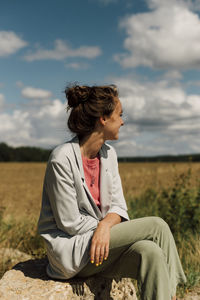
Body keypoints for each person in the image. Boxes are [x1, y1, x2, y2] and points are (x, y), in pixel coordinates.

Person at [38, 84, 186, 300]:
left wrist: (106, 225)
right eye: (120, 114)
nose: (123, 121)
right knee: (157, 226)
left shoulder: (109, 154)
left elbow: (118, 206)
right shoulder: (61, 158)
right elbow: (69, 222)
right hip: (73, 251)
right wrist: (103, 228)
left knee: (150, 252)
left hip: (101, 249)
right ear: (103, 119)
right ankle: (175, 295)